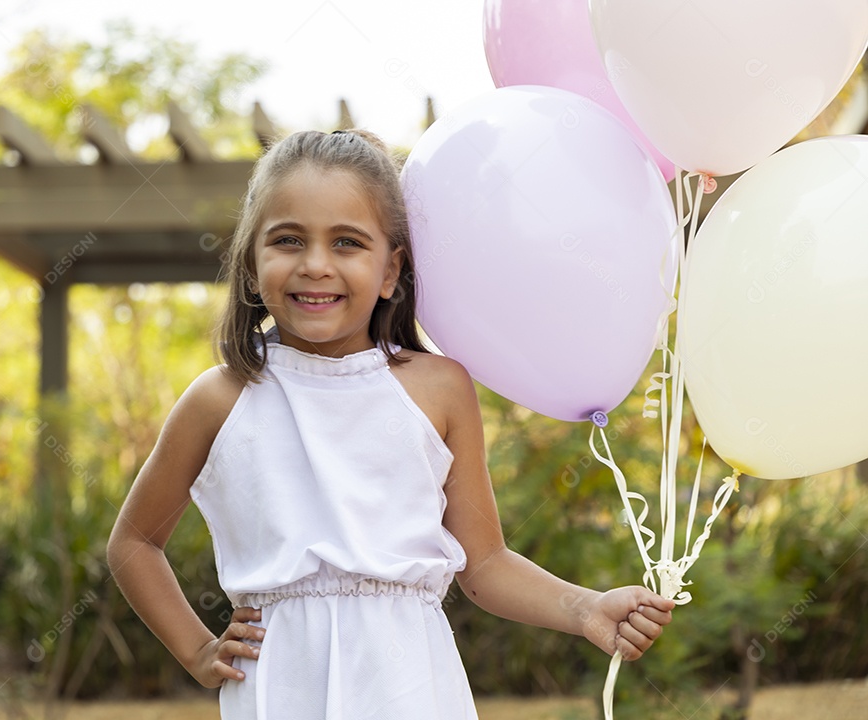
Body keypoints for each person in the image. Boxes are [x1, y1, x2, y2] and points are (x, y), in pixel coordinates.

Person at [107, 129, 674, 718]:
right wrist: (198, 650)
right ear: (252, 265)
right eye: (288, 240)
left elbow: (483, 564)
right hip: (279, 687)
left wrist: (584, 609)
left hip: (410, 687)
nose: (316, 265)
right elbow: (135, 542)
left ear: (390, 270)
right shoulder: (220, 398)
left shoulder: (440, 389)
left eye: (348, 242)